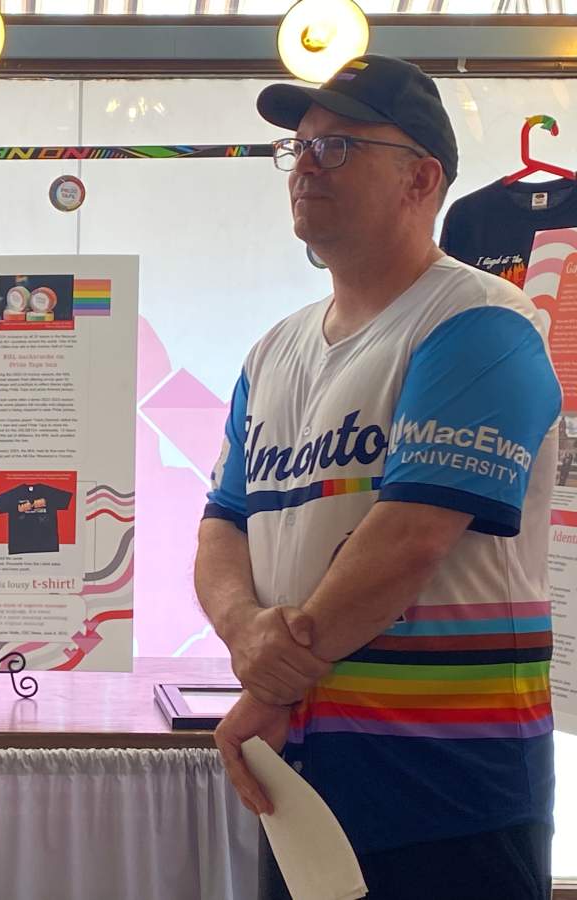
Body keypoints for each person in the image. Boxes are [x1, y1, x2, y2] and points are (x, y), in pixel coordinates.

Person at [195, 57, 560, 899]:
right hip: (299, 784)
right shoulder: (273, 349)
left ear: (421, 178)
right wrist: (249, 638)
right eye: (300, 149)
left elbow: (410, 537)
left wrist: (271, 678)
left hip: (452, 796)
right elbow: (223, 524)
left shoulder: (482, 323)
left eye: (339, 148)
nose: (306, 168)